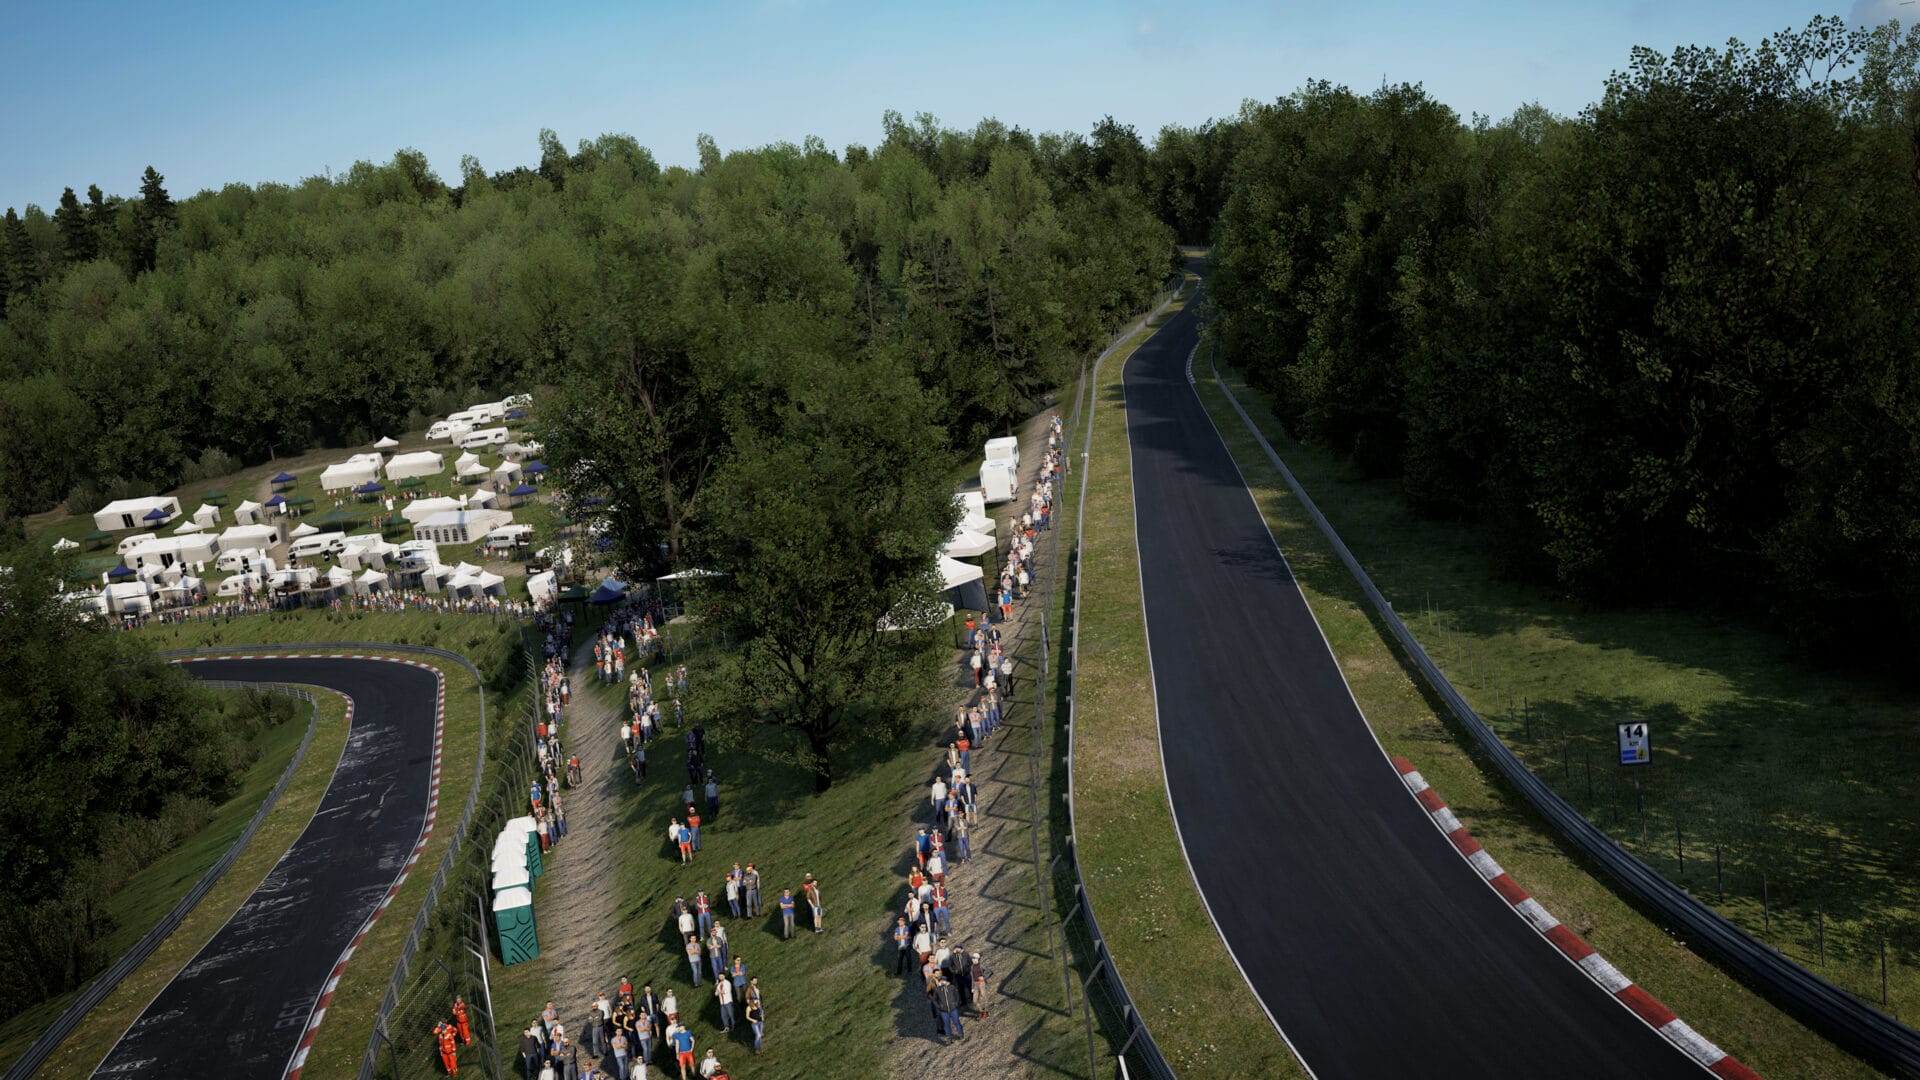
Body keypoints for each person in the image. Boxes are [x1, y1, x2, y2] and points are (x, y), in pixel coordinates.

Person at [934, 972, 964, 1040]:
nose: (942, 982)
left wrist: (956, 1003)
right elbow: (934, 999)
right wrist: (939, 1006)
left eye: (944, 980)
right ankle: (949, 1037)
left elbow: (957, 995)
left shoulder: (952, 987)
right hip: (943, 1010)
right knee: (946, 1024)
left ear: (946, 981)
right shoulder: (938, 990)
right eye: (941, 981)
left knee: (956, 1022)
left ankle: (960, 1033)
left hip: (953, 1009)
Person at [971, 951, 992, 1018]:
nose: (973, 959)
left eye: (974, 958)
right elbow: (972, 977)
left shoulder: (981, 966)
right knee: (974, 1000)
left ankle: (986, 1012)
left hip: (982, 983)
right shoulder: (972, 967)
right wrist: (972, 987)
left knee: (984, 998)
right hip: (975, 984)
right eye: (972, 958)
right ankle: (981, 1011)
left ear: (978, 959)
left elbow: (990, 972)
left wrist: (984, 977)